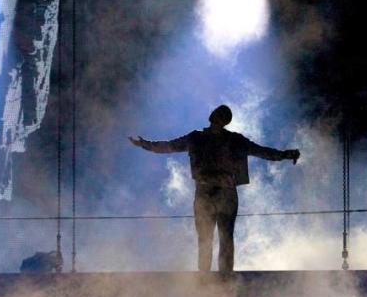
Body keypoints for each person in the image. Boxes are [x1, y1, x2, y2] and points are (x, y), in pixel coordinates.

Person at [129, 105, 300, 273]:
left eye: (220, 116)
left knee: (221, 238)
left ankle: (220, 278)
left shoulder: (228, 140)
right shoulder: (199, 138)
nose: (216, 118)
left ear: (221, 120)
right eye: (217, 114)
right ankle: (210, 278)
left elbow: (262, 151)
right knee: (208, 238)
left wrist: (285, 154)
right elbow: (168, 146)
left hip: (218, 193)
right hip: (210, 193)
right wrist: (145, 144)